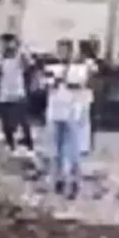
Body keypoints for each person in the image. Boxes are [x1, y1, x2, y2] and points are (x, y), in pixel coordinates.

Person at [45, 40, 96, 199]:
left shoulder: (79, 69)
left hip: (72, 113)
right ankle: (58, 180)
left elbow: (83, 80)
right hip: (55, 112)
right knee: (56, 149)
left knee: (73, 150)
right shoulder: (52, 68)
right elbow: (45, 84)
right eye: (60, 50)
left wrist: (63, 77)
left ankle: (73, 182)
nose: (62, 54)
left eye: (65, 51)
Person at [0, 33, 33, 151]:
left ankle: (28, 142)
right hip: (4, 94)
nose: (5, 46)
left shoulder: (19, 57)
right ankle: (10, 144)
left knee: (22, 120)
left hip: (18, 93)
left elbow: (28, 65)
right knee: (6, 123)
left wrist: (20, 47)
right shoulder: (1, 58)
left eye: (7, 43)